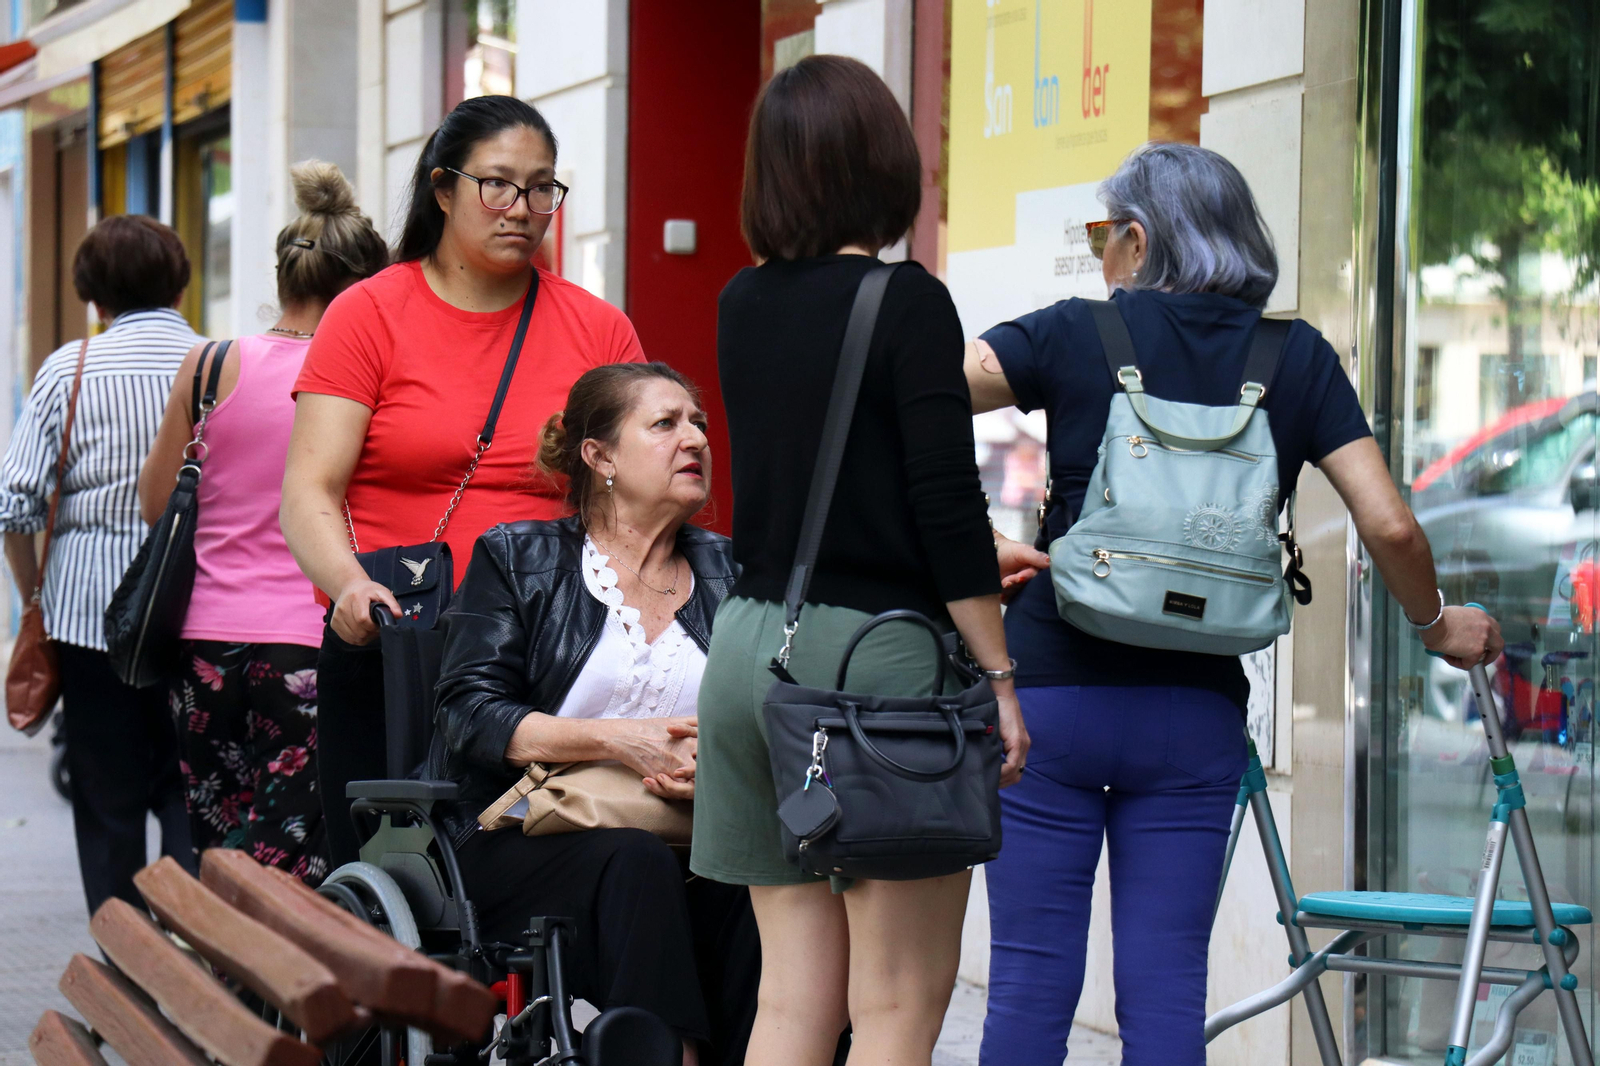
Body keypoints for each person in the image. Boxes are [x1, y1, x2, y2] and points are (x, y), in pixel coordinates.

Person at [964, 141, 1505, 1066]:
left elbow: (913, 398)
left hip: (1050, 696)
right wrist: (1436, 625)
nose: (1100, 254)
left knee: (1028, 976)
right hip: (1193, 715)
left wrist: (973, 544)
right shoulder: (1293, 357)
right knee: (1168, 986)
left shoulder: (1072, 332)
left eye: (1104, 233)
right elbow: (1393, 527)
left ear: (1137, 241)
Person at [692, 55, 1032, 1066]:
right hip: (875, 669)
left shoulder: (739, 302)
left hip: (751, 647)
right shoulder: (907, 302)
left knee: (793, 999)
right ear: (884, 162)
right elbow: (943, 504)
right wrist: (1001, 676)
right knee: (896, 1005)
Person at [281, 95, 646, 868]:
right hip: (395, 644)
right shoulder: (367, 314)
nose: (523, 208)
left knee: (546, 879)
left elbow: (635, 499)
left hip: (546, 652)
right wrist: (347, 587)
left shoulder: (598, 328)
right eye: (499, 185)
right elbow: (309, 491)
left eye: (542, 187)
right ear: (443, 190)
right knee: (389, 889)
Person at [431, 362, 756, 1066]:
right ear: (599, 456)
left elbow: (770, 710)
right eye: (665, 423)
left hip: (696, 834)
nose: (695, 437)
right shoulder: (520, 558)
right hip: (521, 836)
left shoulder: (734, 572)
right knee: (636, 863)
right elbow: (469, 714)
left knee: (763, 878)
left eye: (698, 421)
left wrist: (723, 765)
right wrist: (617, 742)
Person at [138, 162, 388, 884]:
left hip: (203, 643)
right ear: (365, 287)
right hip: (309, 640)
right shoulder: (358, 382)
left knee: (218, 836)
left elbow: (157, 504)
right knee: (294, 848)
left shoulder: (210, 365)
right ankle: (269, 993)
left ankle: (220, 979)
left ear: (282, 275)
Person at [0, 215, 201, 916]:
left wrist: (35, 596)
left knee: (107, 805)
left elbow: (14, 504)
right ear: (179, 283)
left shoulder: (69, 369)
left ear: (94, 296)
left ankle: (127, 975)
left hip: (87, 621)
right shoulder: (216, 362)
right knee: (188, 791)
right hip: (194, 609)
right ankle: (198, 955)